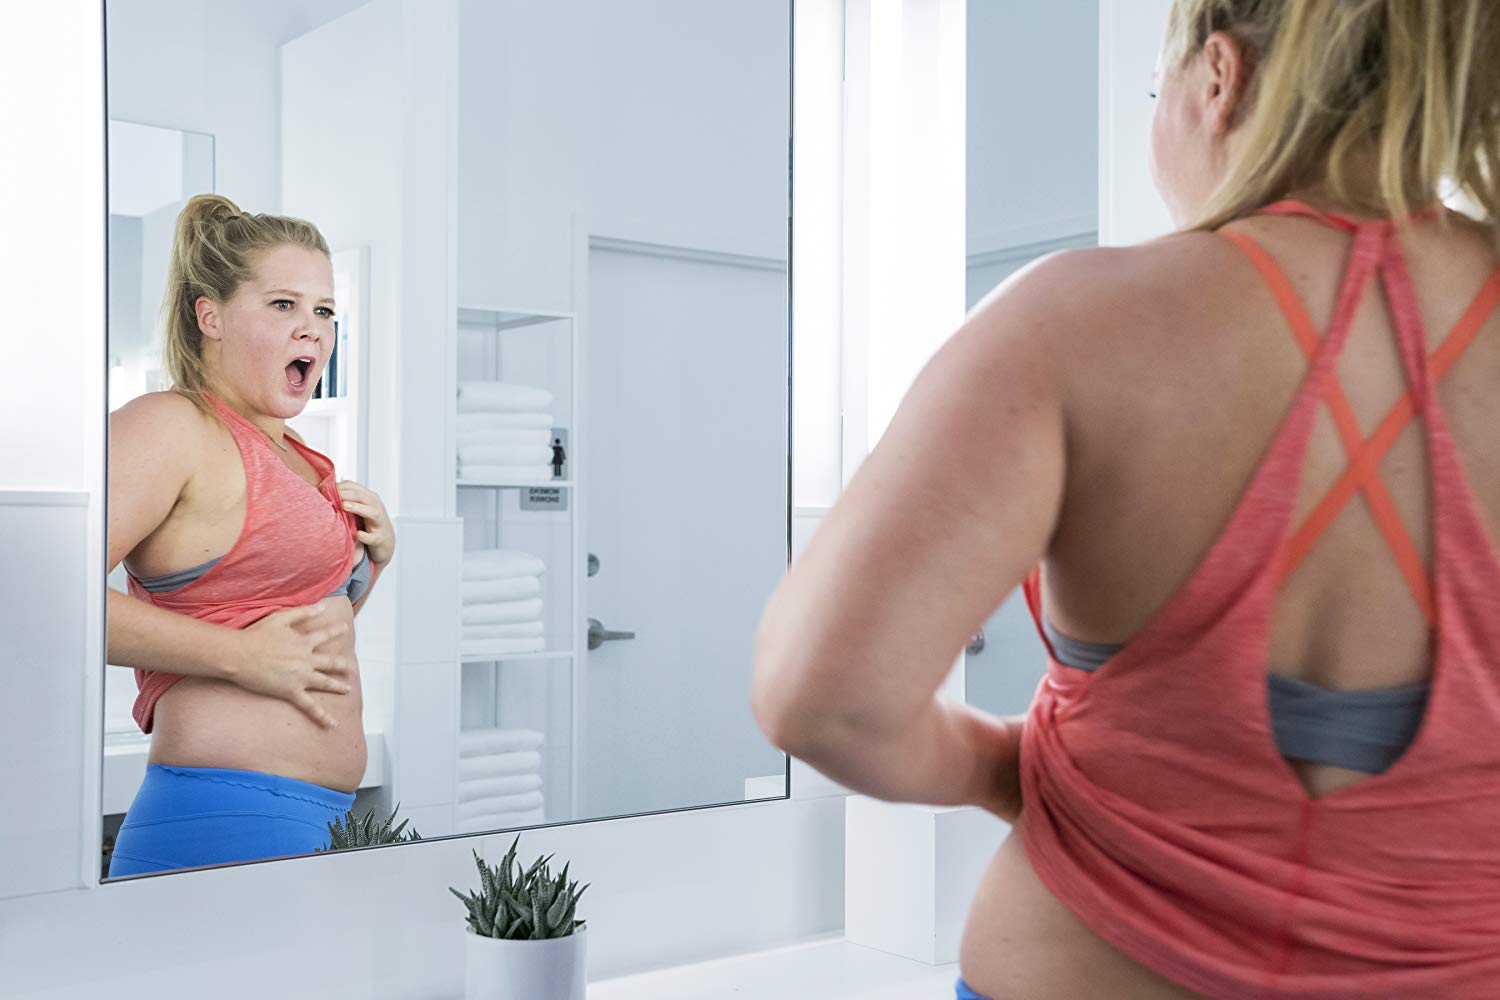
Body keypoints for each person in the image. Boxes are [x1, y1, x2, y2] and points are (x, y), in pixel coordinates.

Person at [752, 1, 1500, 996]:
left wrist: (997, 767)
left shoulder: (1074, 321)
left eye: (1159, 93)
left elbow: (821, 696)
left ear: (1217, 77)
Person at [106, 194, 396, 876]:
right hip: (221, 816)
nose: (313, 329)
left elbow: (285, 634)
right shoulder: (170, 426)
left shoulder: (299, 452)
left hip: (317, 815)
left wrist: (373, 564)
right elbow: (46, 599)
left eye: (325, 310)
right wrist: (243, 660)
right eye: (283, 305)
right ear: (210, 315)